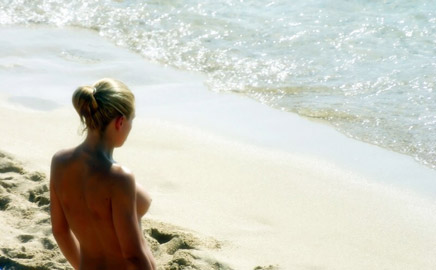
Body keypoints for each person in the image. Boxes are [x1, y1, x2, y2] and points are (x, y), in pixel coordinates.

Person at [49, 78, 156, 270]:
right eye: (132, 120)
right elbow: (133, 255)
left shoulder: (60, 162)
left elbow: (60, 232)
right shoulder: (119, 178)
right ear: (120, 122)